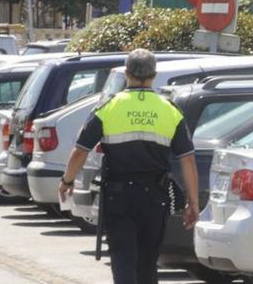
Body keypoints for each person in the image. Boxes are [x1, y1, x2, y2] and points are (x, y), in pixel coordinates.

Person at [58, 49, 199, 284]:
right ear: (154, 75)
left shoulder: (109, 107)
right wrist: (192, 202)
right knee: (148, 261)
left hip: (119, 196)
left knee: (122, 258)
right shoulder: (169, 110)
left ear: (126, 73)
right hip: (156, 197)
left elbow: (80, 151)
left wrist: (67, 181)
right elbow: (188, 159)